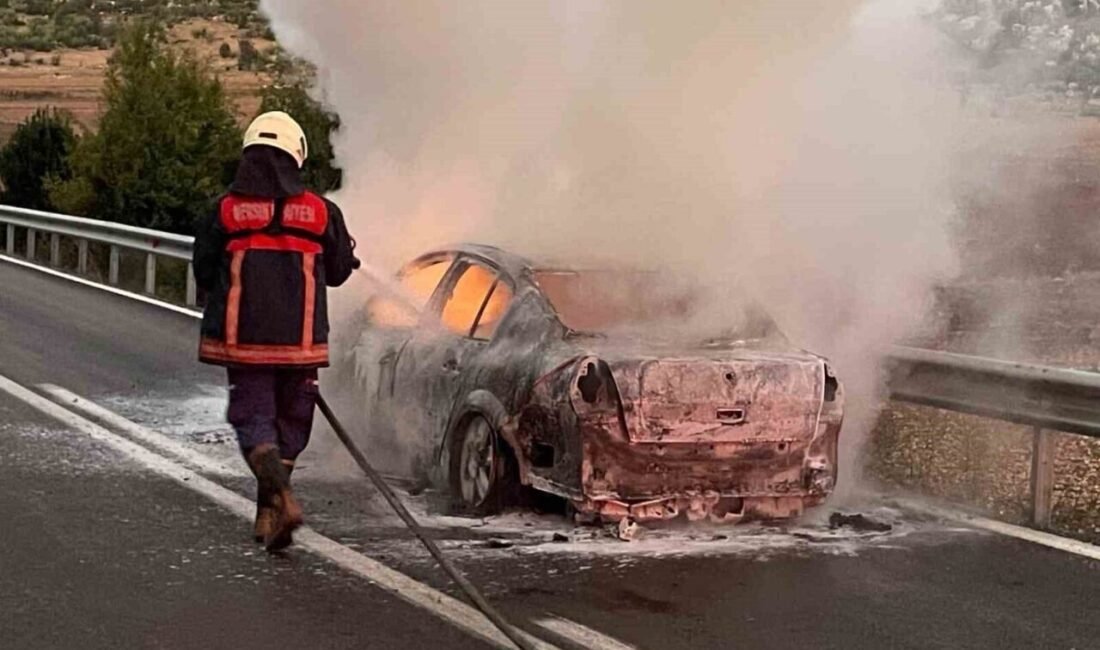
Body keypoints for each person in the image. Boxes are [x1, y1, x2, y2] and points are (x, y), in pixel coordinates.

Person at [192, 111, 358, 551]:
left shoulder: (224, 210)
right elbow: (339, 272)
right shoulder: (322, 212)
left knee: (254, 422)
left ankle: (278, 501)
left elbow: (204, 269)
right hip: (300, 345)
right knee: (291, 425)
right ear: (297, 155)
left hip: (243, 342)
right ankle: (270, 509)